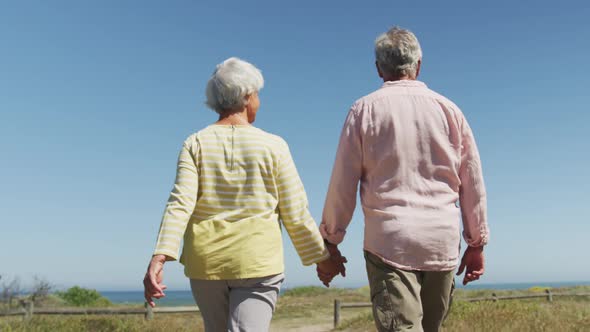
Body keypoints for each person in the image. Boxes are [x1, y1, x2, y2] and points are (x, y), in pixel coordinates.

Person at [143, 57, 346, 332]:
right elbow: (294, 212)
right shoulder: (274, 146)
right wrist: (323, 258)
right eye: (257, 94)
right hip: (258, 263)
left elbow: (180, 203)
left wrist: (160, 256)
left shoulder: (195, 143)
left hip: (206, 264)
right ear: (247, 96)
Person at [319, 27, 490, 332]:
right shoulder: (450, 110)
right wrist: (476, 244)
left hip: (389, 242)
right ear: (419, 64)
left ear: (378, 68)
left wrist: (330, 241)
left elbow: (342, 183)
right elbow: (472, 183)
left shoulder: (364, 110)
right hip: (441, 243)